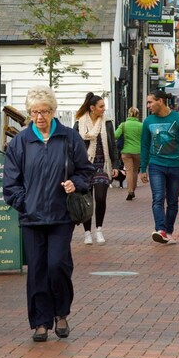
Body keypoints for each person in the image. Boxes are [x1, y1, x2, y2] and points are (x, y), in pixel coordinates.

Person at [3, 85, 94, 342]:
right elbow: (10, 183)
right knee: (37, 270)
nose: (40, 117)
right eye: (34, 112)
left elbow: (86, 171)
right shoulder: (21, 142)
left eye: (44, 111)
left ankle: (61, 312)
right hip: (31, 218)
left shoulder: (68, 138)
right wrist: (25, 203)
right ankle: (40, 322)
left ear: (53, 112)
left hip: (61, 215)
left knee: (57, 265)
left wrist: (75, 182)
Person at [139, 89, 179, 244]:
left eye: (150, 102)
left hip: (177, 165)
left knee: (172, 200)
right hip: (156, 165)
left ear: (160, 101)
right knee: (158, 198)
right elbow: (144, 145)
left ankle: (169, 231)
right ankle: (160, 229)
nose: (148, 105)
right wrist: (143, 168)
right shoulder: (148, 121)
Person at [75, 92, 122, 245]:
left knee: (100, 198)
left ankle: (99, 229)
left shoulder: (107, 123)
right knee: (87, 200)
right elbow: (73, 146)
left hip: (102, 165)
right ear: (92, 108)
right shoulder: (79, 123)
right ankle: (87, 232)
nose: (104, 109)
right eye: (101, 106)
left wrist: (116, 165)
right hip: (84, 167)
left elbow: (113, 145)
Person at [115, 107, 143, 201]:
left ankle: (130, 191)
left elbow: (115, 135)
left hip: (126, 151)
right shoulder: (141, 125)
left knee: (128, 171)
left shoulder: (123, 125)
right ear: (137, 115)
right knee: (135, 171)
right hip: (138, 151)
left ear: (128, 114)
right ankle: (133, 189)